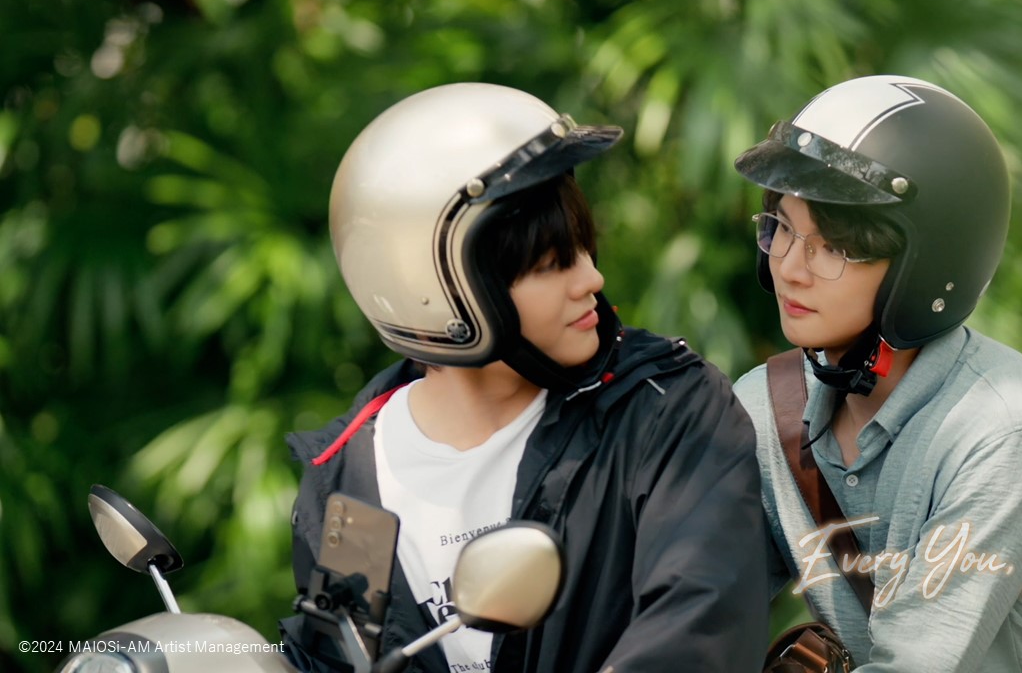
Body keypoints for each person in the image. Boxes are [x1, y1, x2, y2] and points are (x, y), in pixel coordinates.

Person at [279, 82, 769, 673]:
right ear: (437, 293)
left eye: (583, 248)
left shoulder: (663, 409)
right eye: (550, 264)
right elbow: (334, 658)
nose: (591, 279)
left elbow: (698, 631)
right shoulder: (349, 483)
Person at [732, 74, 1022, 672]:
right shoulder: (766, 407)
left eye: (835, 247)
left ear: (927, 270)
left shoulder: (1004, 433)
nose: (791, 268)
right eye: (782, 227)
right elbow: (689, 604)